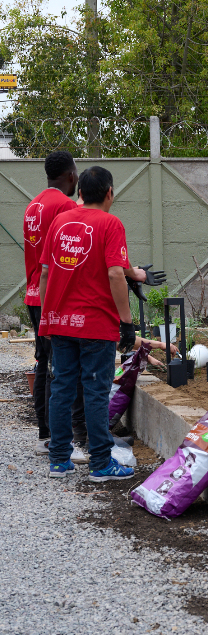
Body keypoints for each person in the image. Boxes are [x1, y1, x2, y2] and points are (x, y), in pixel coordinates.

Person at [38, 165, 148, 481]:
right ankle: (100, 463)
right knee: (95, 391)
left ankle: (59, 460)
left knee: (61, 388)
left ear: (81, 193)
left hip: (60, 322)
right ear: (110, 193)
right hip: (95, 324)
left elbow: (45, 273)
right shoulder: (111, 224)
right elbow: (116, 272)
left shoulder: (59, 221)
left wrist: (48, 317)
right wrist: (127, 323)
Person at [22, 151, 81, 452]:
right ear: (71, 175)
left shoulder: (33, 206)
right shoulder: (65, 206)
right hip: (53, 298)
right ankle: (63, 435)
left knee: (44, 361)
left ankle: (45, 431)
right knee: (62, 366)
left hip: (33, 294)